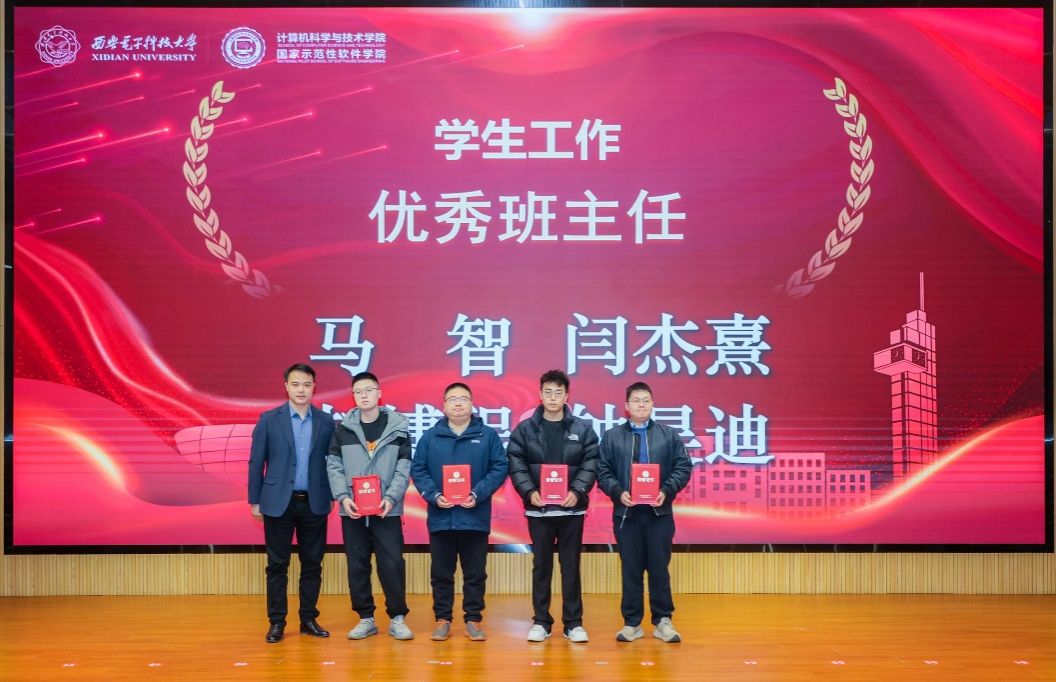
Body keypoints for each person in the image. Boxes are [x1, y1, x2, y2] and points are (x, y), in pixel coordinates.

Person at [410, 382, 508, 642]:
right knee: (441, 574)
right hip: (441, 517)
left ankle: (473, 619)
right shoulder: (430, 437)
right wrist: (434, 495)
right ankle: (442, 619)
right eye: (452, 399)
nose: (457, 403)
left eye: (463, 398)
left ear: (472, 404)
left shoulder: (487, 435)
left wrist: (477, 494)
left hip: (474, 517)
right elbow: (418, 469)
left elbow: (499, 467)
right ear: (443, 406)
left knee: (475, 573)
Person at [507, 369, 599, 643]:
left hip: (572, 510)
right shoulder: (525, 429)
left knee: (571, 567)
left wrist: (577, 490)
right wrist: (529, 491)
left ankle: (574, 623)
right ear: (540, 395)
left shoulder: (583, 429)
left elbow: (591, 462)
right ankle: (541, 621)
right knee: (541, 567)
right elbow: (516, 463)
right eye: (548, 392)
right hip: (539, 510)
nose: (553, 397)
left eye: (558, 393)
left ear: (566, 396)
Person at [597, 381, 692, 644]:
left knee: (659, 568)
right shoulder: (612, 437)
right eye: (636, 400)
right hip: (626, 514)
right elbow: (602, 470)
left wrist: (666, 490)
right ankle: (631, 623)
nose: (641, 404)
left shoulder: (669, 435)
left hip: (659, 513)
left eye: (646, 400)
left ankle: (663, 621)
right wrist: (618, 492)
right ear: (626, 406)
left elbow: (683, 467)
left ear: (652, 404)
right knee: (631, 569)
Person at [248, 363, 335, 643]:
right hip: (277, 502)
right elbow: (256, 462)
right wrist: (254, 500)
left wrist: (333, 494)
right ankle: (277, 622)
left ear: (314, 387)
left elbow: (333, 463)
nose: (301, 390)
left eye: (306, 385)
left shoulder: (326, 421)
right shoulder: (269, 420)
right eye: (296, 384)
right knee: (277, 565)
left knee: (312, 564)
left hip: (314, 502)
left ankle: (308, 618)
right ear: (286, 386)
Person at [327, 371, 413, 641]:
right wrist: (343, 497)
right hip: (353, 509)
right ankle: (365, 618)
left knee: (392, 563)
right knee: (357, 564)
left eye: (368, 390)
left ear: (379, 393)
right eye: (358, 391)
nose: (363, 395)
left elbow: (404, 467)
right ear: (353, 396)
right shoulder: (343, 429)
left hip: (387, 509)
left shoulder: (398, 427)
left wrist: (391, 498)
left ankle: (397, 618)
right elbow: (334, 466)